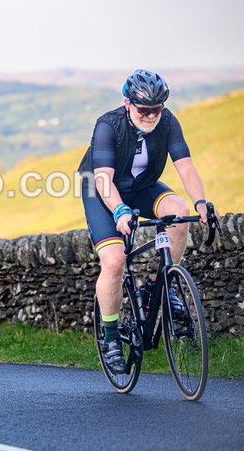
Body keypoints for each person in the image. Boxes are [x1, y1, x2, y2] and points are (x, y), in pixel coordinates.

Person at [78, 69, 212, 375]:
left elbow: (185, 166)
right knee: (114, 261)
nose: (151, 116)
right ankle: (111, 335)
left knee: (178, 213)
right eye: (144, 110)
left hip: (141, 187)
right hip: (102, 191)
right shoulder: (108, 126)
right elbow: (103, 178)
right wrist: (119, 210)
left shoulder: (167, 122)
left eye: (157, 109)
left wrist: (201, 203)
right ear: (127, 103)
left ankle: (158, 286)